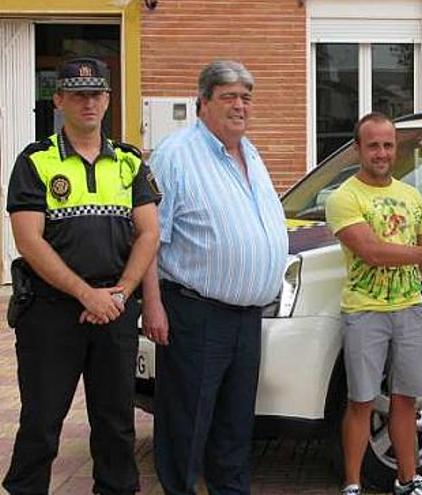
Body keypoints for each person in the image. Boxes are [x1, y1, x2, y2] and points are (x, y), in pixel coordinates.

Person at [3, 57, 161, 495]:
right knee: (41, 423)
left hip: (115, 310)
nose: (88, 103)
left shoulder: (128, 161)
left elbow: (149, 233)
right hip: (51, 313)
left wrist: (120, 293)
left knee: (115, 426)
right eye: (77, 94)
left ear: (108, 99)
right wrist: (85, 294)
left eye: (95, 94)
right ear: (59, 100)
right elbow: (29, 241)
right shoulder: (36, 160)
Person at [140, 60, 288, 494]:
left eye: (245, 97)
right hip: (195, 313)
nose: (240, 106)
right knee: (187, 425)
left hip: (246, 318)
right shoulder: (175, 155)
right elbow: (151, 238)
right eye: (228, 97)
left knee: (234, 427)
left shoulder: (250, 151)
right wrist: (152, 306)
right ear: (202, 102)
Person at [326, 112, 422, 495]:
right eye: (373, 145)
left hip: (409, 312)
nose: (382, 153)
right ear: (358, 149)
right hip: (365, 313)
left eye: (388, 145)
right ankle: (352, 485)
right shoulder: (343, 198)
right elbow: (372, 252)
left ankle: (408, 480)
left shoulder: (410, 197)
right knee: (362, 402)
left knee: (407, 402)